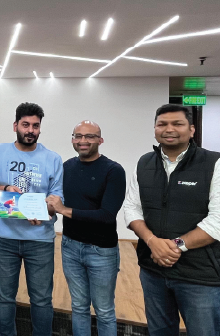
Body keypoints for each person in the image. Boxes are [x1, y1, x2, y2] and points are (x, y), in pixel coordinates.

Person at [122, 104, 220, 336]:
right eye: (162, 124)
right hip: (153, 270)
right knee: (160, 332)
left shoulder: (215, 164)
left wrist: (176, 246)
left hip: (199, 275)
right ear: (155, 129)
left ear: (191, 130)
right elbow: (131, 208)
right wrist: (152, 241)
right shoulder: (144, 163)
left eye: (177, 124)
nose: (169, 129)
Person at [0, 102, 63, 336]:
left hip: (40, 241)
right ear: (15, 125)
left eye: (35, 126)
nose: (30, 130)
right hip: (3, 238)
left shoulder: (52, 158)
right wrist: (5, 187)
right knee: (5, 297)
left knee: (41, 299)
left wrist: (44, 212)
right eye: (25, 124)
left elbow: (57, 198)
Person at [47, 121, 125, 336]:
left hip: (101, 251)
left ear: (100, 140)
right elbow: (57, 200)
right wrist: (47, 209)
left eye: (90, 136)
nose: (83, 141)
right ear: (72, 139)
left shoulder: (113, 170)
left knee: (104, 311)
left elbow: (107, 216)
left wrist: (63, 209)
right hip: (70, 247)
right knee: (79, 308)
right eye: (78, 136)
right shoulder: (67, 167)